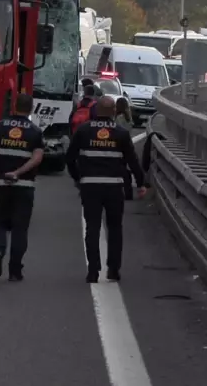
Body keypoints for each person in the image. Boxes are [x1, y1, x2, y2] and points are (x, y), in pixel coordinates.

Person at [66, 95, 147, 283]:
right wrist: (141, 183)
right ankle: (113, 270)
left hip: (90, 186)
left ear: (96, 111)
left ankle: (93, 271)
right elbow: (133, 161)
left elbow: (69, 158)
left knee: (92, 227)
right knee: (115, 228)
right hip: (114, 187)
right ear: (113, 112)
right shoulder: (121, 133)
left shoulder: (84, 131)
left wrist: (78, 178)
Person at [0, 92, 44, 282]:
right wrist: (19, 172)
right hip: (24, 186)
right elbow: (37, 158)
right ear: (30, 109)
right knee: (19, 228)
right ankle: (15, 270)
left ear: (14, 106)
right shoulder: (35, 131)